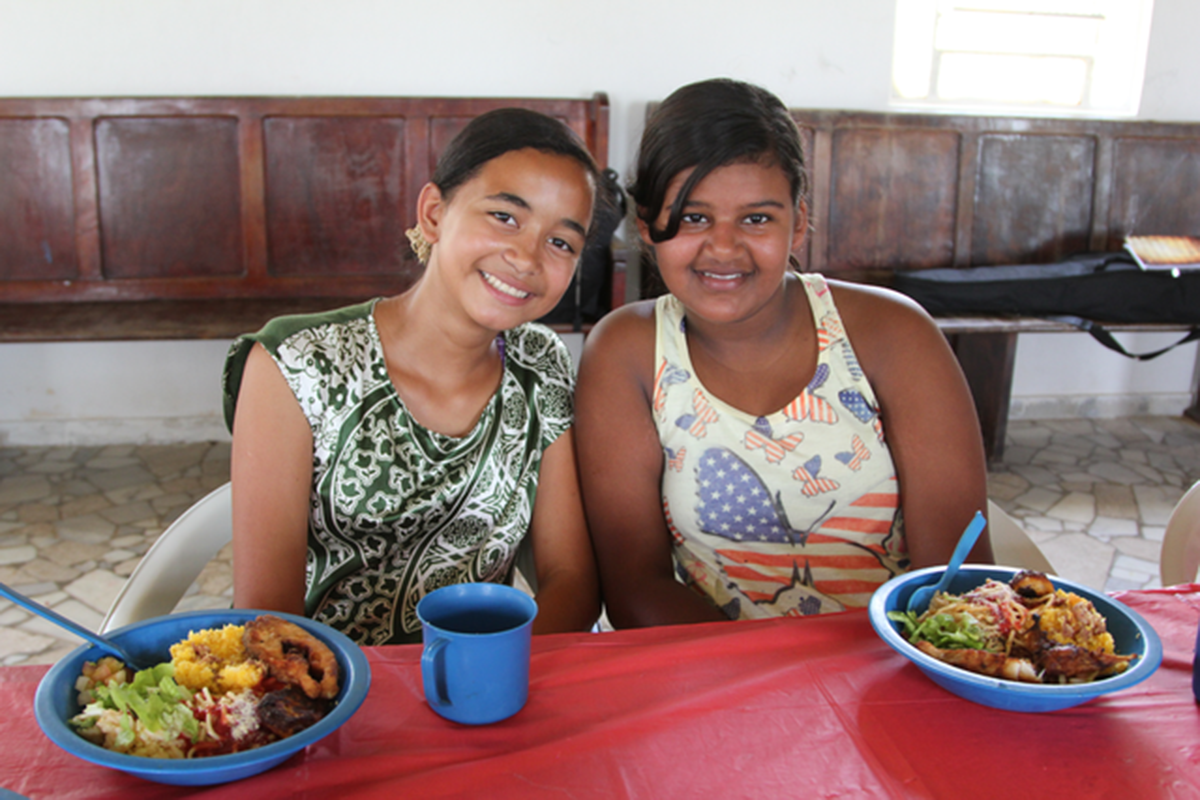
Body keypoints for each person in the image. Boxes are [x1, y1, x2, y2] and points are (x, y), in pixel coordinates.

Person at [574, 79, 992, 628]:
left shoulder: (893, 335)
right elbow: (634, 587)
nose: (724, 247)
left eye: (757, 218)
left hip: (889, 656)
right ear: (648, 224)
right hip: (714, 665)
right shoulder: (627, 353)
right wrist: (768, 676)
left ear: (798, 223)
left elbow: (956, 577)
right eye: (694, 217)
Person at [223, 108, 601, 645]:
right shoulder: (297, 363)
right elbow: (268, 619)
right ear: (433, 214)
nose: (526, 258)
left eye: (561, 242)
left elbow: (571, 579)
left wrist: (486, 671)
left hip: (485, 674)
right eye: (504, 216)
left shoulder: (540, 363)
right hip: (327, 682)